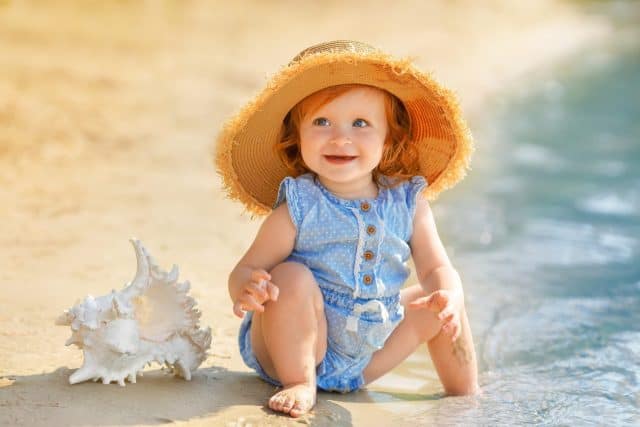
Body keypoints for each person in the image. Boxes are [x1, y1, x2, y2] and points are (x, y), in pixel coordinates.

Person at [215, 40, 479, 418]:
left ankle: (467, 397)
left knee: (439, 300)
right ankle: (300, 382)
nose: (341, 137)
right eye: (321, 122)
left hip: (366, 355)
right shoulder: (300, 207)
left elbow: (437, 268)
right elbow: (245, 268)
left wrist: (449, 294)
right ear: (297, 136)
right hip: (291, 344)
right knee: (290, 276)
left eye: (361, 124)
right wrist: (246, 287)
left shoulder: (407, 203)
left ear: (389, 138)